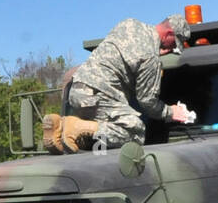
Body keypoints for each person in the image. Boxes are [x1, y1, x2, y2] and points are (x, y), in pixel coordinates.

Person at [43, 13, 195, 154]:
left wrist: (159, 51)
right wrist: (171, 112)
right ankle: (71, 126)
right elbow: (147, 101)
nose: (171, 48)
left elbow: (126, 52)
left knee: (99, 144)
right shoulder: (150, 58)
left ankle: (66, 139)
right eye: (174, 44)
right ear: (168, 34)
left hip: (77, 88)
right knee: (136, 131)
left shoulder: (129, 24)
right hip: (98, 95)